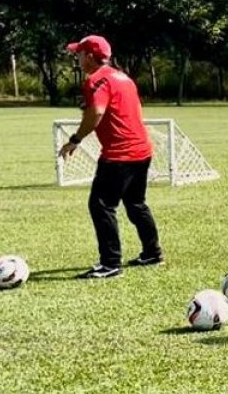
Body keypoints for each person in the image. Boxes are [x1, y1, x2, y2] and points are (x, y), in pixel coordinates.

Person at [58, 35, 164, 279]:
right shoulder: (123, 77)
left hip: (120, 154)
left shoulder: (96, 80)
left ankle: (110, 263)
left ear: (91, 56)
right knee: (136, 203)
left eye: (80, 54)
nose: (78, 58)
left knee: (101, 205)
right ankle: (152, 252)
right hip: (142, 150)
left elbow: (96, 112)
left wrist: (75, 139)